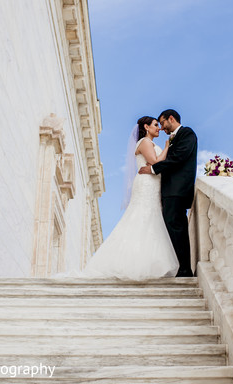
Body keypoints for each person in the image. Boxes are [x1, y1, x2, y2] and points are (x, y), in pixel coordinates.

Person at [83, 116, 179, 280]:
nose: (159, 128)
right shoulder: (145, 142)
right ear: (146, 127)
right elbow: (155, 161)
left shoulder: (150, 143)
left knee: (151, 220)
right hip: (146, 183)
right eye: (156, 125)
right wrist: (167, 147)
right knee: (141, 217)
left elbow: (155, 165)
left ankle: (147, 263)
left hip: (153, 183)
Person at [138, 109, 198, 277]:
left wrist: (154, 168)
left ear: (171, 118)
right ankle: (177, 266)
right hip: (169, 190)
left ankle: (184, 269)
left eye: (163, 123)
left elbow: (179, 157)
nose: (162, 128)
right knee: (171, 228)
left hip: (177, 189)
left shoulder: (187, 133)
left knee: (176, 228)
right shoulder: (172, 139)